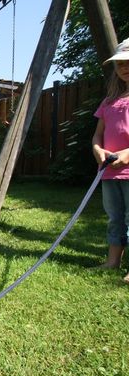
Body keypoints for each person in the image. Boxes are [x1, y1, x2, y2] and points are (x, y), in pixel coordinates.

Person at [91, 37, 129, 284]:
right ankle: (113, 260)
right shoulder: (109, 101)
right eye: (120, 64)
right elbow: (97, 134)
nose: (124, 67)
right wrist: (99, 151)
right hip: (108, 172)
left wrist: (127, 154)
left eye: (128, 62)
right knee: (115, 217)